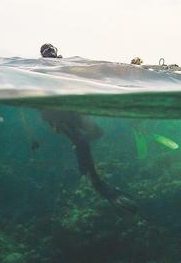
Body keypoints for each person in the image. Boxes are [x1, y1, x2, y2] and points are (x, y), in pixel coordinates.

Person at [36, 44, 138, 213]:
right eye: (45, 50)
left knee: (97, 133)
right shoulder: (39, 67)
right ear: (41, 54)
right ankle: (100, 187)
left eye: (51, 49)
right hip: (54, 113)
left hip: (69, 109)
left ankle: (79, 147)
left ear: (57, 52)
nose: (48, 52)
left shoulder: (66, 65)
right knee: (82, 142)